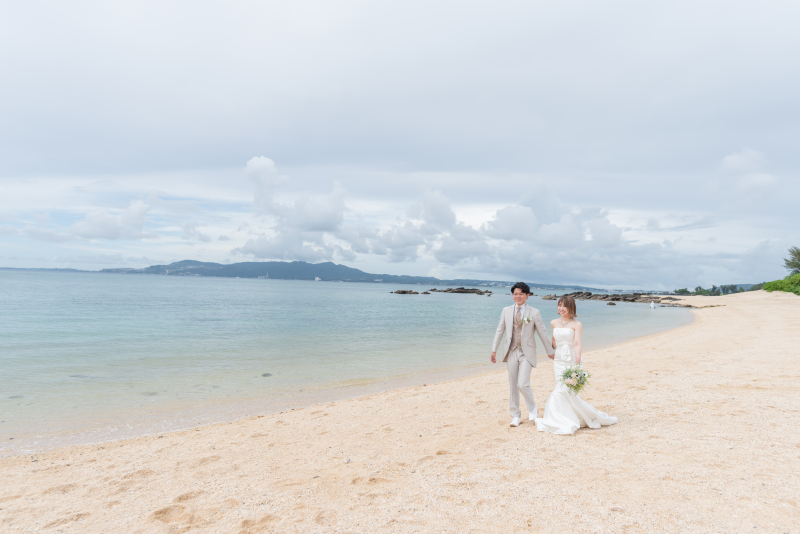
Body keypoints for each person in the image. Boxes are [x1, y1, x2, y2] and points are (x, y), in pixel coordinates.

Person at [534, 295, 617, 435]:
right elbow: (554, 340)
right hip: (559, 359)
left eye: (564, 305)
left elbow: (577, 343)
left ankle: (569, 417)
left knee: (567, 390)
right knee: (560, 388)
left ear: (571, 307)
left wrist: (577, 362)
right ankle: (560, 418)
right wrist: (555, 352)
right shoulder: (554, 322)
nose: (561, 308)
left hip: (572, 359)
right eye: (559, 305)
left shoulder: (577, 324)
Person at [490, 282, 555, 427]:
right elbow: (500, 330)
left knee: (523, 384)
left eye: (520, 294)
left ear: (527, 295)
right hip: (511, 351)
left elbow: (542, 333)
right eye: (515, 294)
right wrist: (494, 349)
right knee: (513, 385)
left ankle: (533, 410)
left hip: (527, 352)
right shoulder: (506, 310)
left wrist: (550, 352)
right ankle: (515, 415)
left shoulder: (534, 312)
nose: (517, 296)